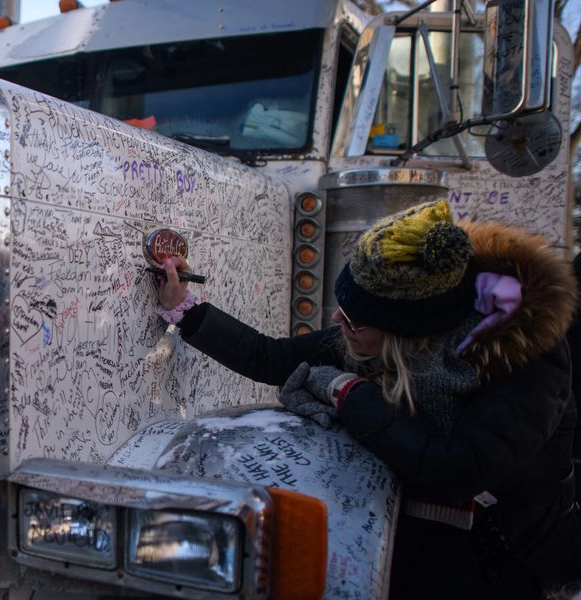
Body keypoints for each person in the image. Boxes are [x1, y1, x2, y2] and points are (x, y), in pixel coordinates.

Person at [155, 200, 580, 598]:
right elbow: (272, 358)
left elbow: (454, 470)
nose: (340, 322)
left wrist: (348, 393)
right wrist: (186, 310)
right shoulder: (372, 331)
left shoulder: (525, 361)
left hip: (506, 556)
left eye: (354, 318)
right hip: (413, 534)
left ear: (409, 334)